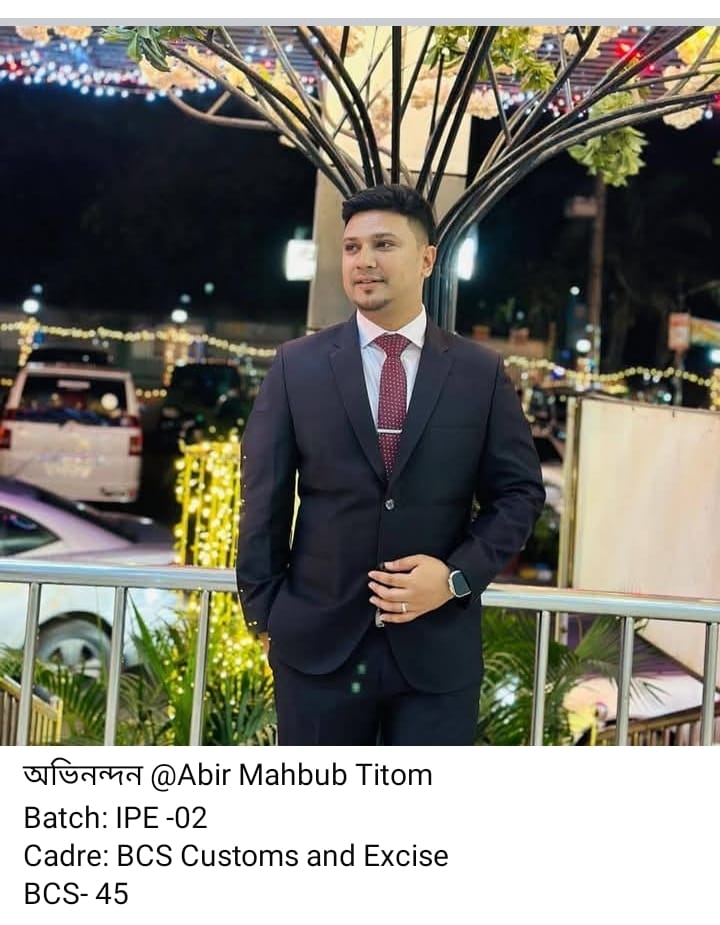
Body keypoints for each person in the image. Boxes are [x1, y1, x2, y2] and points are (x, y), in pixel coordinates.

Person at [236, 183, 545, 745]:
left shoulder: (479, 373)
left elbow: (519, 495)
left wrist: (454, 578)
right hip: (317, 648)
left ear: (427, 259)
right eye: (352, 247)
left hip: (436, 654)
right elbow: (263, 500)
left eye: (383, 244)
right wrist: (265, 615)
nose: (364, 261)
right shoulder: (296, 366)